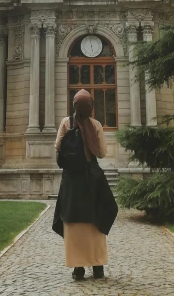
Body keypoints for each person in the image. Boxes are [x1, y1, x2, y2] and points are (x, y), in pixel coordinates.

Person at [52, 89, 118, 281]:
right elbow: (103, 152)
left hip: (72, 180)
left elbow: (58, 146)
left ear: (74, 105)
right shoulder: (96, 124)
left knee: (73, 221)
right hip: (92, 178)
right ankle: (97, 267)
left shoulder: (66, 123)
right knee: (96, 219)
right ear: (90, 106)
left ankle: (78, 268)